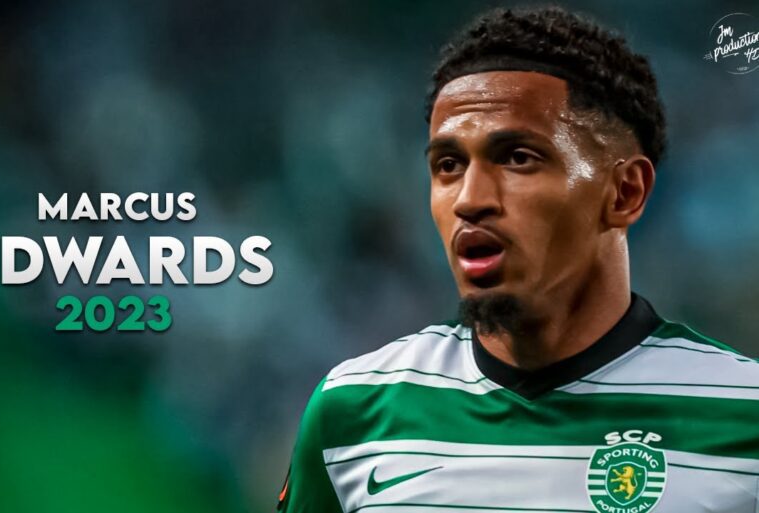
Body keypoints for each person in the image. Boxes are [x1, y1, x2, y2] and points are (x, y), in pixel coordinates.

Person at [278, 6, 759, 513]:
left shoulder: (744, 417)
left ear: (624, 192)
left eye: (517, 158)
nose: (470, 199)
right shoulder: (352, 414)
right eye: (448, 165)